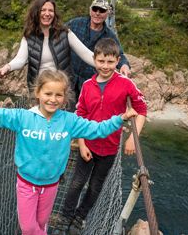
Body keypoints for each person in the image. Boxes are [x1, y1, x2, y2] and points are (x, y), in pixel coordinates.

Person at [0, 69, 138, 235]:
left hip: (51, 185)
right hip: (26, 184)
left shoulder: (69, 121)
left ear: (65, 97)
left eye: (58, 95)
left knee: (42, 223)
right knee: (28, 228)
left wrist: (119, 119)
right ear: (38, 94)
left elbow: (97, 129)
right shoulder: (23, 117)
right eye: (48, 94)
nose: (53, 99)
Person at [53, 38, 147, 235]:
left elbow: (141, 109)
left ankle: (79, 217)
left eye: (110, 62)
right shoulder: (87, 86)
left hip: (110, 148)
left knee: (95, 187)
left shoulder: (126, 84)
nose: (105, 66)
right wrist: (82, 143)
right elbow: (80, 115)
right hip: (88, 145)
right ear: (94, 60)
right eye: (101, 61)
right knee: (77, 183)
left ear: (118, 61)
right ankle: (65, 217)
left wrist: (132, 136)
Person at [0, 0, 95, 91]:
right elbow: (20, 60)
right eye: (43, 10)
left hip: (62, 91)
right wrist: (8, 67)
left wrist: (106, 65)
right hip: (39, 91)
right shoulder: (29, 37)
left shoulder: (65, 34)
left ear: (54, 14)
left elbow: (86, 54)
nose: (47, 14)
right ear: (36, 13)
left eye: (51, 10)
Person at [66, 0, 131, 101]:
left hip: (90, 82)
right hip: (68, 78)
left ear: (107, 13)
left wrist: (124, 65)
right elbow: (57, 35)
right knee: (66, 112)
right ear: (90, 10)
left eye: (102, 10)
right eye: (95, 9)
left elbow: (120, 54)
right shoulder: (75, 24)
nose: (97, 13)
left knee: (86, 113)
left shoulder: (110, 35)